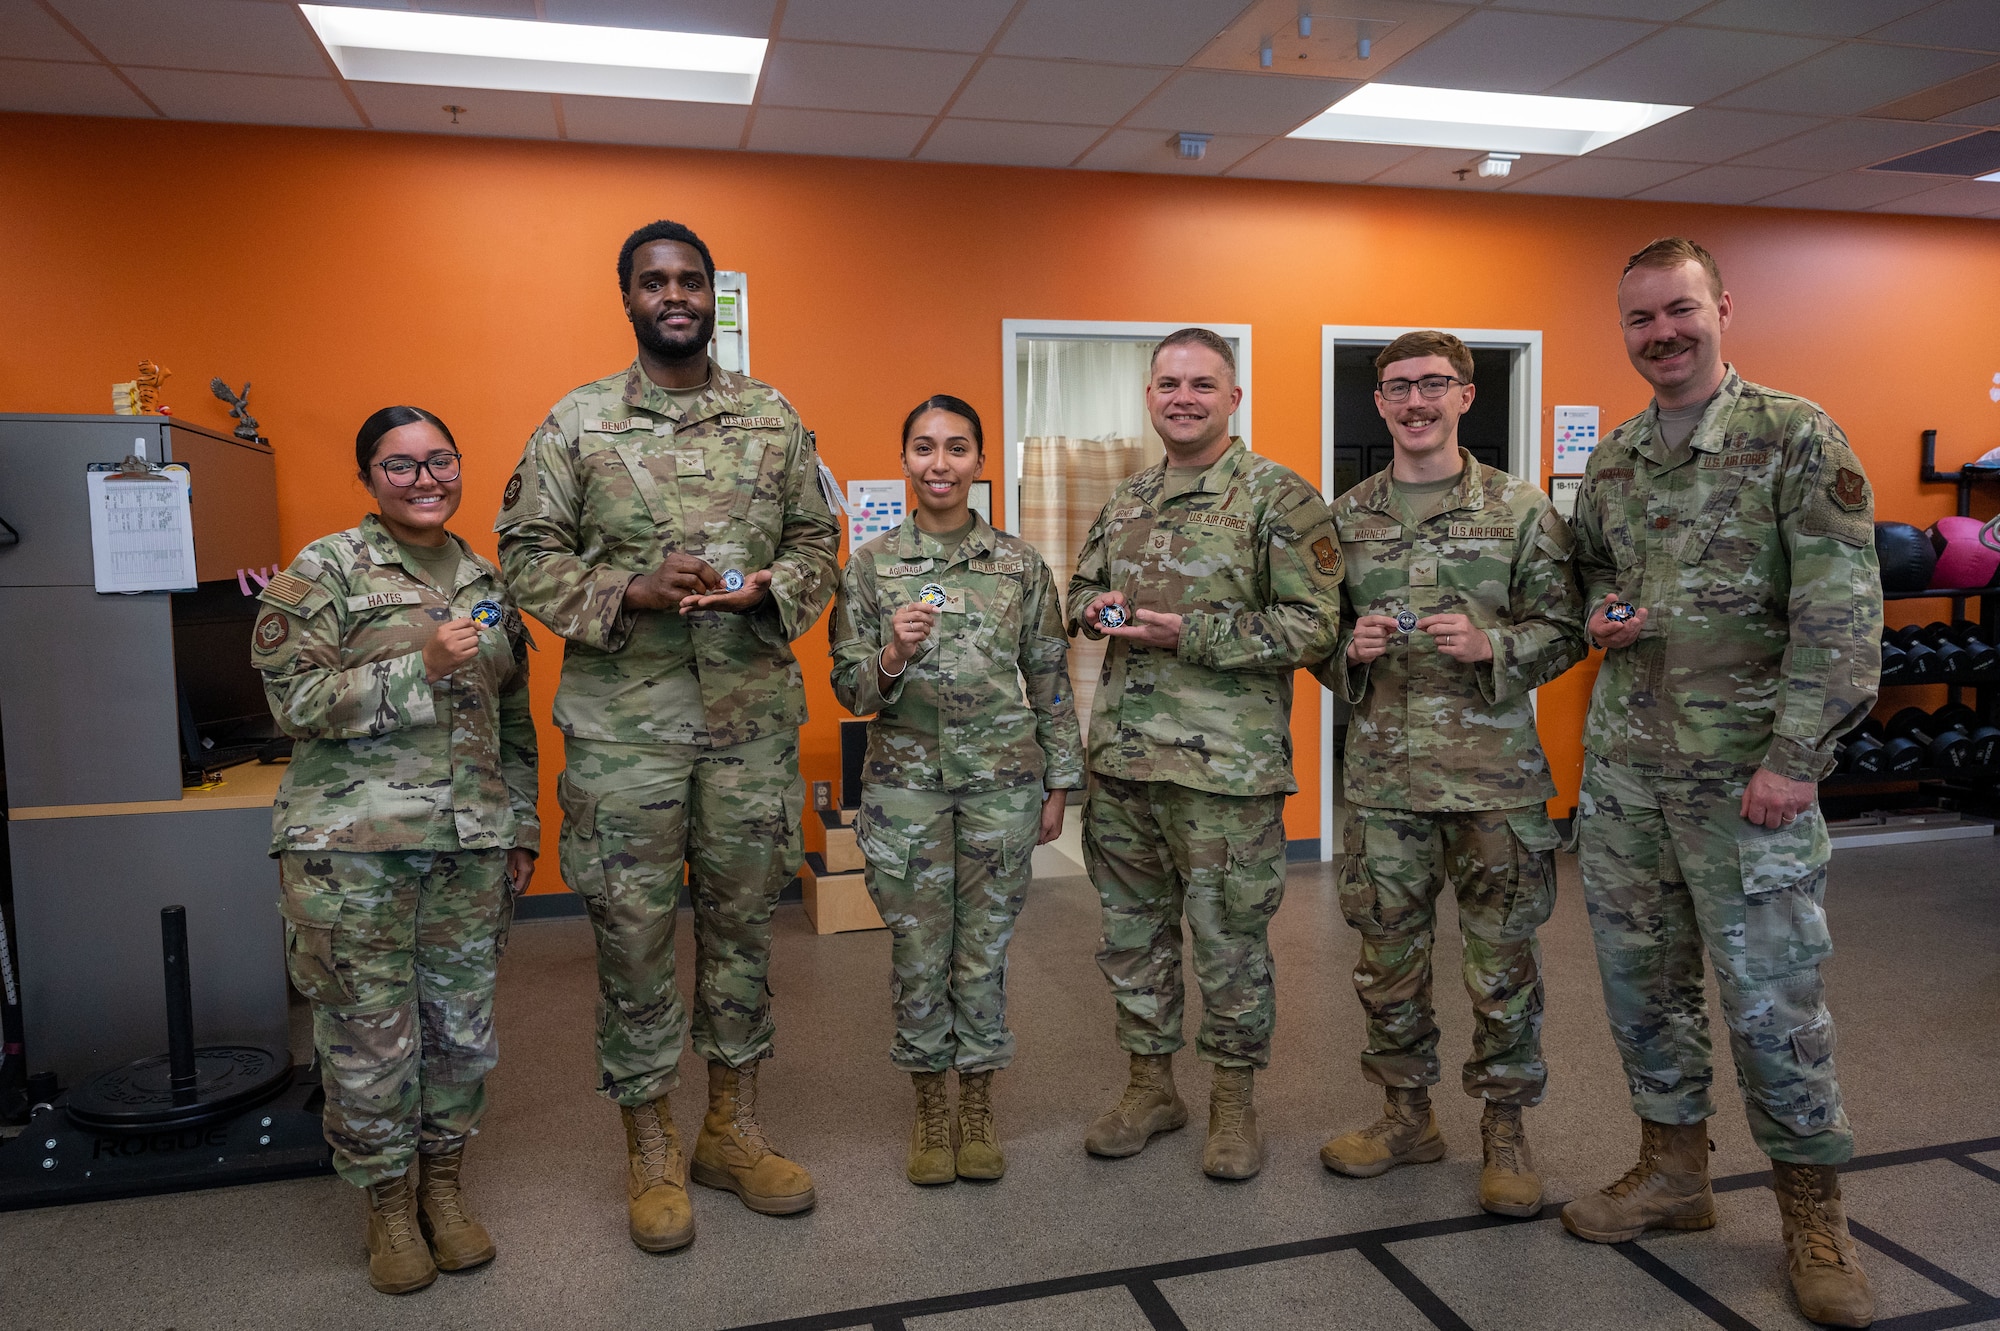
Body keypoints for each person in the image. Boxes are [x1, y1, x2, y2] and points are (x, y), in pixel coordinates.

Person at [496, 219, 839, 1253]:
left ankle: (728, 1126)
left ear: (712, 297)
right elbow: (523, 551)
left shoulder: (773, 417)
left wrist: (775, 590)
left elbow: (820, 539)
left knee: (741, 928)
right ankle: (648, 1142)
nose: (674, 294)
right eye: (655, 281)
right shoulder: (577, 422)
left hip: (745, 726)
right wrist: (628, 590)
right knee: (633, 934)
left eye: (690, 279)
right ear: (629, 297)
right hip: (625, 730)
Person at [1563, 238, 1882, 1329]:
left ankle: (1811, 1210)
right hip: (1625, 782)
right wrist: (1595, 613)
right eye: (1639, 319)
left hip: (1745, 787)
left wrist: (1794, 760)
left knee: (1771, 1001)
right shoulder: (1610, 461)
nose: (1659, 333)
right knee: (1640, 994)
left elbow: (1839, 615)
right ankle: (1672, 1172)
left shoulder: (1793, 437)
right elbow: (1586, 580)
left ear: (1720, 308)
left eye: (1676, 310)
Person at [253, 405, 539, 1295]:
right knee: (370, 1039)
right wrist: (422, 665)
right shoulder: (324, 570)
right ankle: (386, 1204)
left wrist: (521, 823)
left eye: (440, 461)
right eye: (401, 466)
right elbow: (292, 703)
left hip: (469, 848)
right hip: (354, 856)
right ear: (368, 477)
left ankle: (444, 1192)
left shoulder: (486, 576)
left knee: (460, 1036)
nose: (425, 481)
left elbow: (514, 719)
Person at [1313, 331, 1586, 1218]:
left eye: (1435, 384)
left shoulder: (1519, 510)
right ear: (1382, 400)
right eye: (1399, 386)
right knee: (1386, 963)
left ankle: (1505, 1129)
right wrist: (1343, 651)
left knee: (1501, 965)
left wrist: (1493, 646)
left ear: (1467, 396)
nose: (1417, 400)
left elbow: (1567, 629)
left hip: (1493, 786)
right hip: (1386, 784)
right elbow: (1314, 637)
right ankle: (1405, 1115)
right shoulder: (1343, 517)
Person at [1069, 328, 1345, 1179]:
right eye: (1166, 383)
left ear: (1234, 396)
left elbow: (1316, 624)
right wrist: (1092, 609)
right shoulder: (1126, 501)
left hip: (1226, 773)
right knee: (1133, 937)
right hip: (1122, 765)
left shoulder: (1279, 499)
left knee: (1229, 943)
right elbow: (1077, 588)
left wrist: (1193, 633)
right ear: (1149, 396)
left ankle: (1232, 1103)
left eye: (1200, 383)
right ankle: (1152, 1086)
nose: (1181, 397)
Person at [830, 395, 1083, 1186]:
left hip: (1001, 786)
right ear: (904, 459)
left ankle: (977, 1103)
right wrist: (893, 656)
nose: (940, 463)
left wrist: (1060, 781)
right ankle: (929, 1108)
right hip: (905, 791)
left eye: (957, 448)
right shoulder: (870, 566)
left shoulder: (1019, 565)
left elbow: (1049, 676)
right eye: (924, 447)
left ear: (979, 463)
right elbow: (849, 688)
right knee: (916, 952)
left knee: (983, 953)